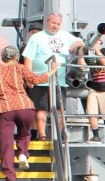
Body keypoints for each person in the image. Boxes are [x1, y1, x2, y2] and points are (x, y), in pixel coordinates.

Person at [0, 45, 54, 181]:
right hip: (24, 106)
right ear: (16, 57)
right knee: (24, 133)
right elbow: (35, 80)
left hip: (4, 108)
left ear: (2, 58)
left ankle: (11, 179)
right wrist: (51, 71)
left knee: (6, 144)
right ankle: (23, 153)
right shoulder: (20, 68)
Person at [22, 11, 85, 139]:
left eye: (58, 24)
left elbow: (81, 42)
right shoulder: (36, 37)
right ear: (47, 22)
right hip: (40, 80)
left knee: (60, 109)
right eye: (53, 22)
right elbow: (28, 58)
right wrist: (28, 78)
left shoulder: (65, 36)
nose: (55, 26)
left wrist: (77, 44)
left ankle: (57, 136)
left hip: (58, 81)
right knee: (41, 108)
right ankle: (42, 135)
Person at [85, 42, 105, 140]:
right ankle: (96, 135)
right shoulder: (88, 54)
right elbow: (81, 66)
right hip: (95, 88)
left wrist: (96, 49)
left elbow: (104, 62)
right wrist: (81, 52)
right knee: (91, 111)